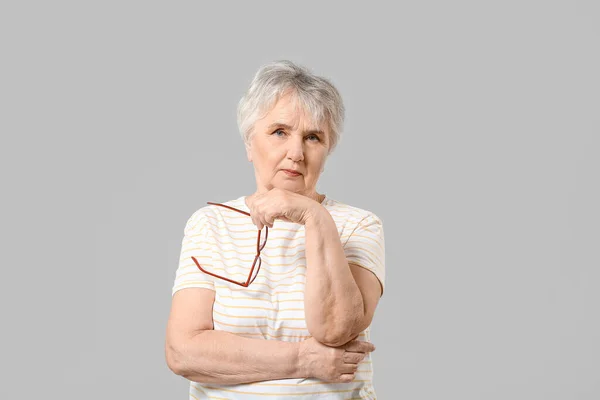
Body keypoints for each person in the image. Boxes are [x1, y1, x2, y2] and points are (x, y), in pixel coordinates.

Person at [165, 60, 385, 399]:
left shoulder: (358, 225)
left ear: (327, 151)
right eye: (279, 132)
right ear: (250, 144)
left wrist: (314, 217)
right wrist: (303, 360)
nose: (296, 153)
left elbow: (335, 328)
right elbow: (183, 352)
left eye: (313, 137)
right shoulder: (209, 225)